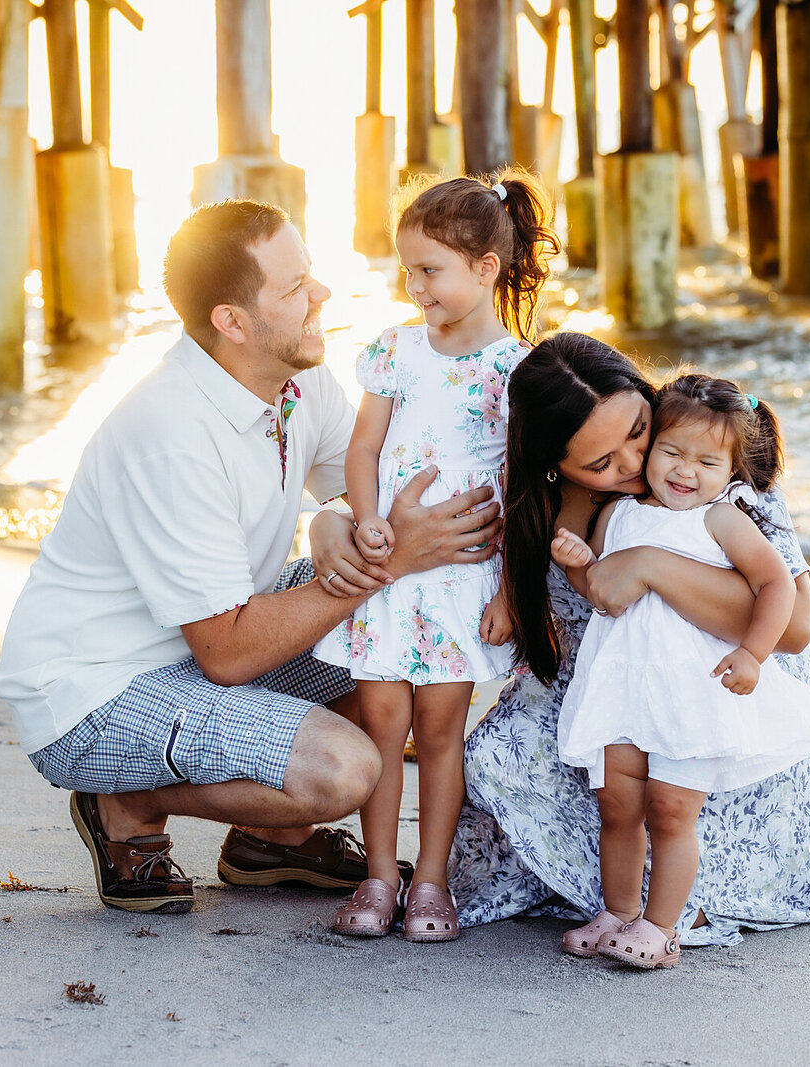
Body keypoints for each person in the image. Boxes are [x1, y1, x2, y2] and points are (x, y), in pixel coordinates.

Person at [0, 200, 500, 914]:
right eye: (294, 287)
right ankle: (124, 801)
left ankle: (269, 839)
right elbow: (228, 653)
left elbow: (360, 493)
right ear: (232, 322)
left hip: (204, 640)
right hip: (99, 691)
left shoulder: (295, 376)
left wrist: (333, 521)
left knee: (391, 640)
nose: (320, 294)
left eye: (311, 275)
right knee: (343, 768)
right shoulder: (170, 431)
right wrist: (387, 562)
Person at [447, 331, 810, 946]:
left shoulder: (713, 463)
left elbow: (795, 628)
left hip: (717, 677)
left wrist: (651, 563)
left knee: (679, 792)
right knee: (498, 757)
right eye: (599, 464)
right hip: (607, 682)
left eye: (637, 432)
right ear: (555, 463)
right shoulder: (539, 498)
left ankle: (677, 904)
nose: (630, 464)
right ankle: (612, 901)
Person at [314, 172, 560, 942]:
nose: (415, 286)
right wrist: (366, 518)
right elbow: (363, 447)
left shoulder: (513, 368)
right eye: (407, 269)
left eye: (430, 270)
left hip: (460, 577)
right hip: (393, 569)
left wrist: (512, 593)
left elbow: (523, 491)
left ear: (485, 267)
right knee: (381, 720)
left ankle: (432, 879)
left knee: (442, 730)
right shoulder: (392, 351)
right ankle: (379, 874)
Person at [549, 373, 810, 968]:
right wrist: (579, 564)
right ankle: (617, 910)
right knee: (617, 807)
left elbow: (775, 584)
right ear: (652, 445)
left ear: (733, 470)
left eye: (707, 462)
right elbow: (605, 593)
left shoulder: (722, 518)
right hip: (622, 685)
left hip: (689, 689)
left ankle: (661, 927)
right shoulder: (622, 514)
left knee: (673, 811)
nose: (685, 471)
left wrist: (754, 654)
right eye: (672, 452)